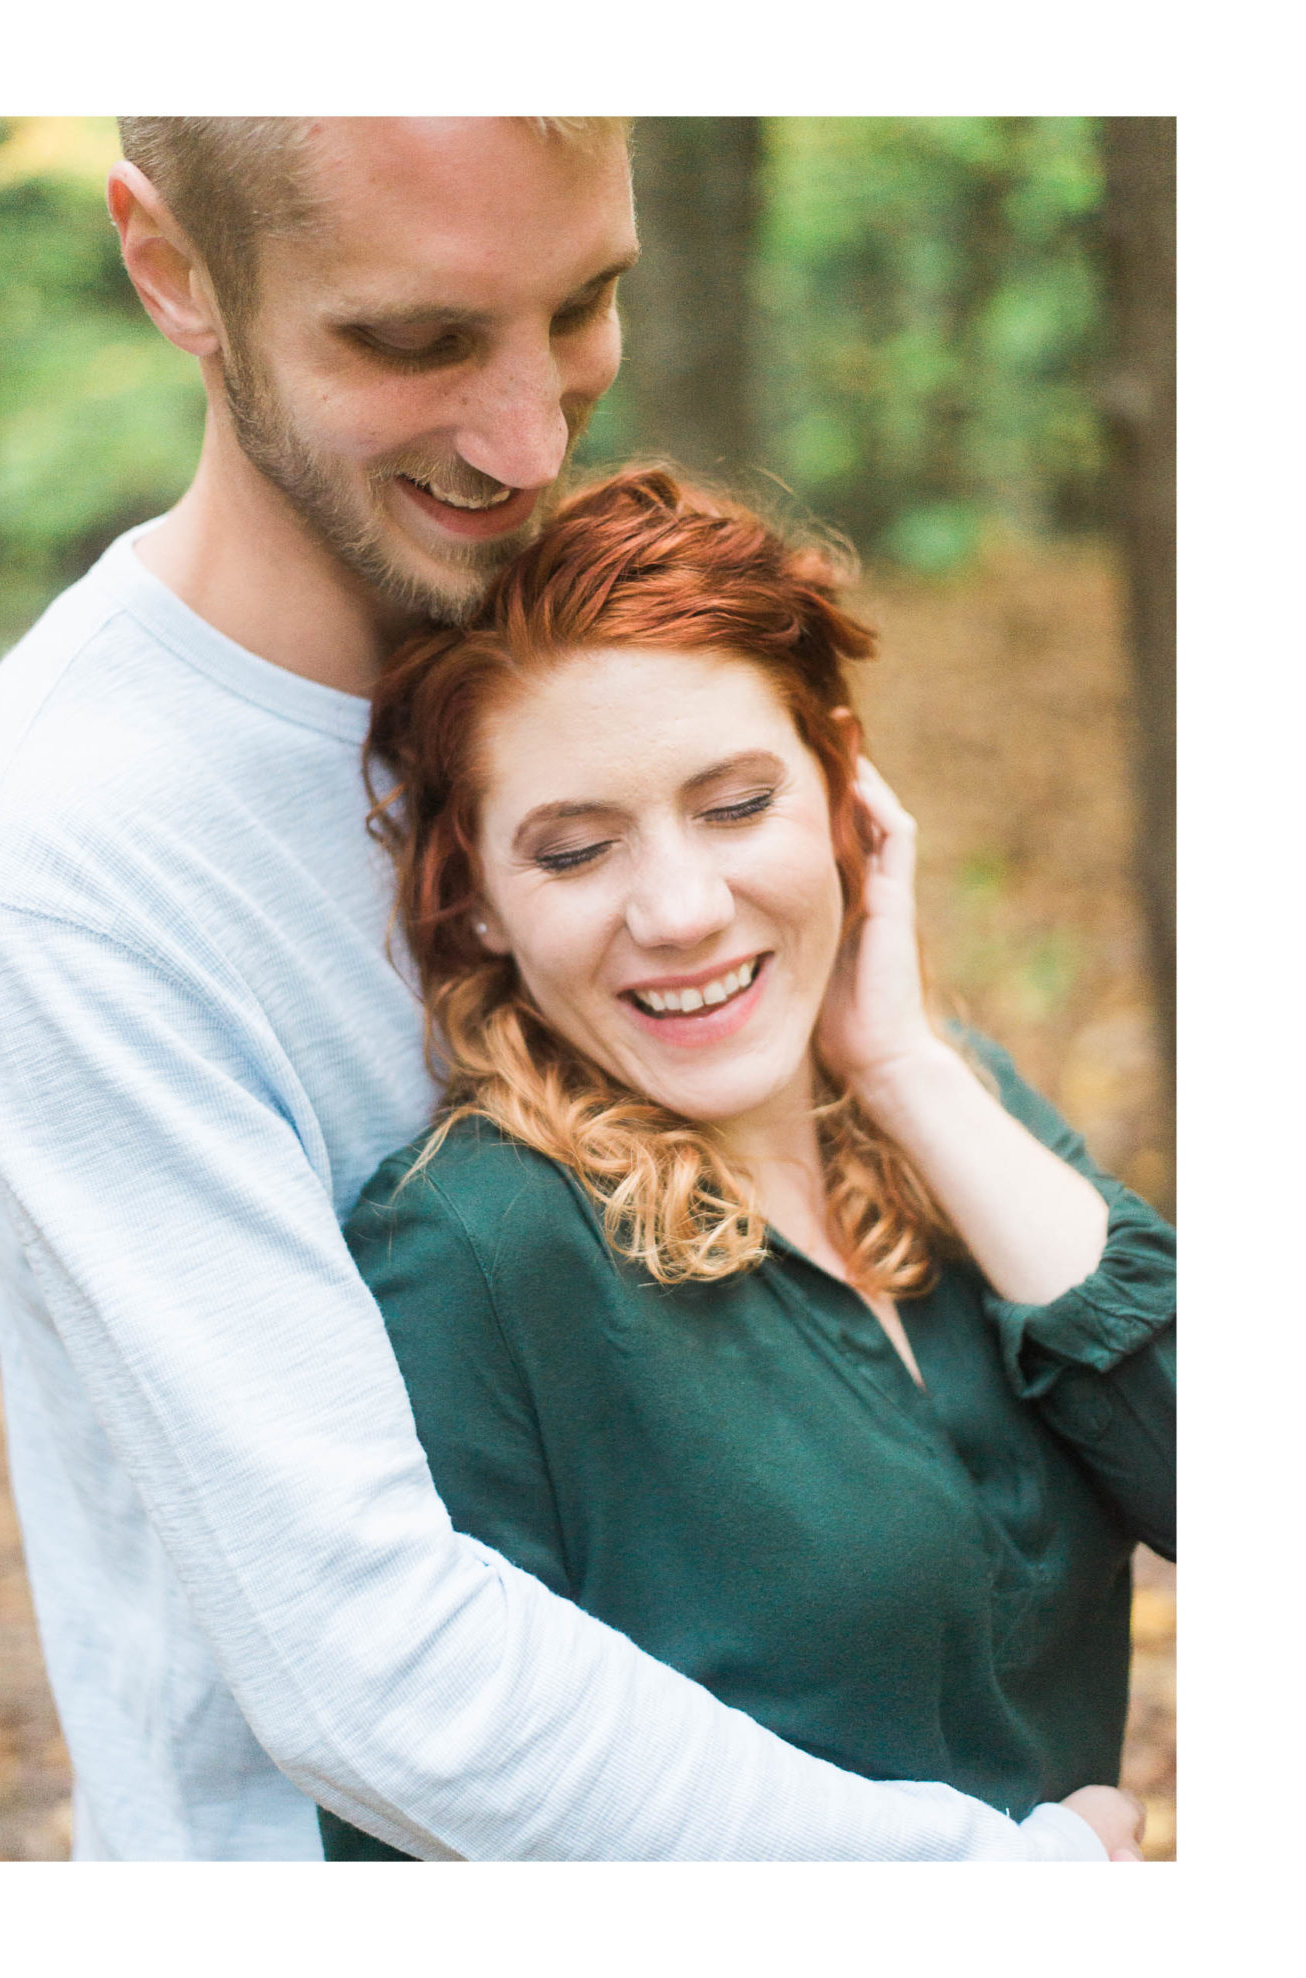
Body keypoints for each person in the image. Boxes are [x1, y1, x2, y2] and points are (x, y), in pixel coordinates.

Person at [0, 117, 1145, 1858]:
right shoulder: (74, 845)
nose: (528, 434)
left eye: (585, 302)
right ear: (173, 271)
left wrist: (900, 1063)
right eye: (418, 338)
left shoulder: (572, 657)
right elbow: (377, 1657)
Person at [320, 466, 1173, 1858]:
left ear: (844, 791)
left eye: (734, 806)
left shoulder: (958, 1105)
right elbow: (421, 1826)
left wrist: (903, 1071)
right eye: (577, 849)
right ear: (472, 898)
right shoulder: (476, 1250)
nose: (679, 910)